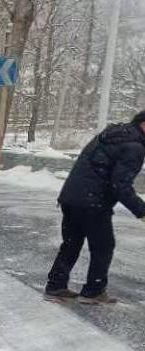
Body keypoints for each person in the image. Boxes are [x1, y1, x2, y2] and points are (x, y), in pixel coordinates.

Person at [44, 110, 145, 304]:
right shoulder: (135, 146)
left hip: (71, 196)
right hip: (93, 202)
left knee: (72, 243)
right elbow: (120, 185)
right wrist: (141, 210)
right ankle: (93, 291)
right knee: (103, 246)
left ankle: (55, 286)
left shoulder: (113, 134)